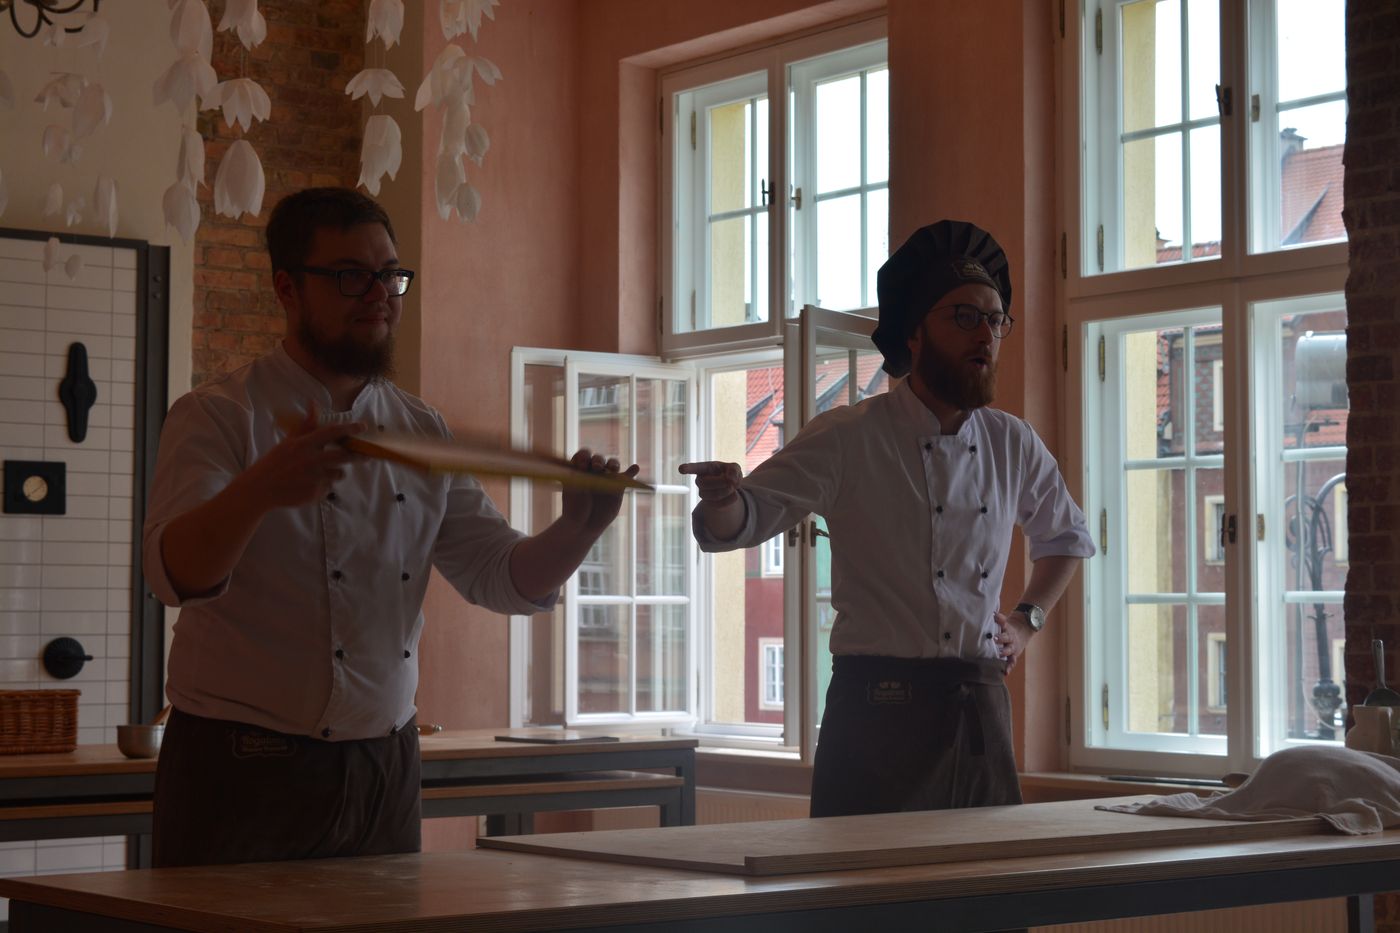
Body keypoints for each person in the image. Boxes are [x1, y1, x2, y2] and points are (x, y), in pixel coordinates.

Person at [141, 187, 637, 867]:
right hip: (240, 762)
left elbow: (498, 576)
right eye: (351, 276)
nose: (379, 295)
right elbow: (174, 573)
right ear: (287, 288)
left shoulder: (420, 428)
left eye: (390, 275)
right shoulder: (219, 414)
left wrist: (577, 529)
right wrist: (262, 488)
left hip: (385, 764)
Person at [680, 220, 1095, 818]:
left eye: (995, 319)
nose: (986, 335)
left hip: (979, 706)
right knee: (860, 876)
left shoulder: (1013, 442)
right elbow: (741, 521)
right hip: (875, 712)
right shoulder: (849, 436)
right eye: (965, 317)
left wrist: (1028, 619)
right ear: (915, 333)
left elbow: (1066, 538)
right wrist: (723, 499)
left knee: (987, 876)